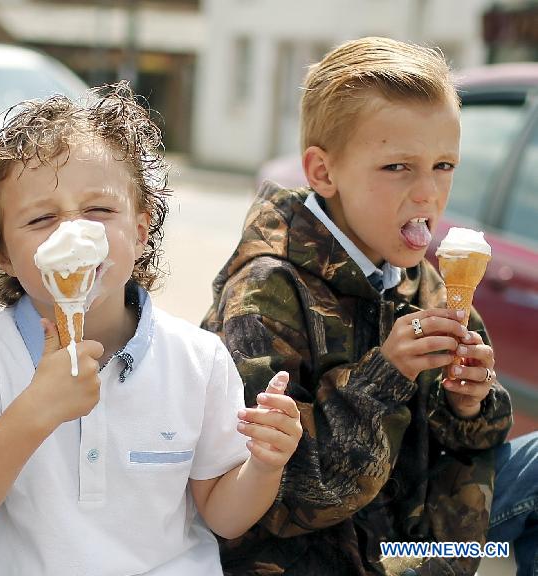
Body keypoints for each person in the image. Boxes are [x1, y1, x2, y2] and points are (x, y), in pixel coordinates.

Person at [0, 82, 303, 575]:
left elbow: (224, 516)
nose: (73, 232)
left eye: (99, 210)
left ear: (141, 232)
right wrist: (34, 411)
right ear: (3, 255)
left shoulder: (197, 359)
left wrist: (265, 465)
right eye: (41, 218)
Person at [202, 36, 519, 575]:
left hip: (415, 554)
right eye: (398, 167)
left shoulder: (422, 282)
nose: (428, 194)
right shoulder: (265, 293)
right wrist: (385, 376)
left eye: (444, 165)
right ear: (323, 173)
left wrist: (468, 405)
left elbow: (466, 445)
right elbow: (279, 502)